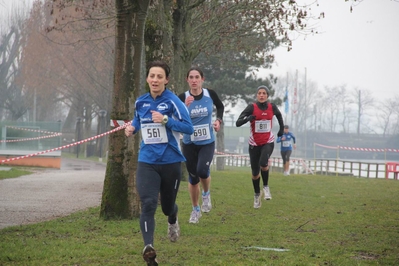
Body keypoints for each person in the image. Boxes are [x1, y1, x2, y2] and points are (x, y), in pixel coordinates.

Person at [125, 60, 194, 266]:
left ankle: (173, 217)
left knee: (166, 207)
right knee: (147, 203)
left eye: (159, 76)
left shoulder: (173, 102)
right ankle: (149, 249)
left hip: (170, 161)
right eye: (152, 76)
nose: (155, 80)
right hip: (147, 160)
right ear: (147, 78)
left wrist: (166, 120)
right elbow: (138, 119)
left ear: (166, 80)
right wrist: (132, 128)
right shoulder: (141, 102)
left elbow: (188, 128)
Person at [178, 66, 224, 224]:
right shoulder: (182, 97)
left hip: (207, 141)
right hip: (189, 143)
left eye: (197, 77)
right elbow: (173, 118)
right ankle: (195, 209)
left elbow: (220, 106)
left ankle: (206, 194)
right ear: (187, 80)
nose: (194, 80)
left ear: (202, 79)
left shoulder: (209, 94)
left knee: (202, 170)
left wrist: (218, 121)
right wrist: (184, 106)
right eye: (191, 77)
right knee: (192, 178)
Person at [235, 85, 284, 208]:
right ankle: (257, 195)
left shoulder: (272, 107)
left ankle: (266, 187)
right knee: (255, 172)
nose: (261, 95)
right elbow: (238, 123)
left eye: (264, 93)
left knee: (263, 162)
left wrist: (281, 130)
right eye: (259, 93)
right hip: (254, 144)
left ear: (267, 95)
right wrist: (248, 118)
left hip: (268, 141)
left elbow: (279, 116)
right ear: (257, 95)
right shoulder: (252, 107)